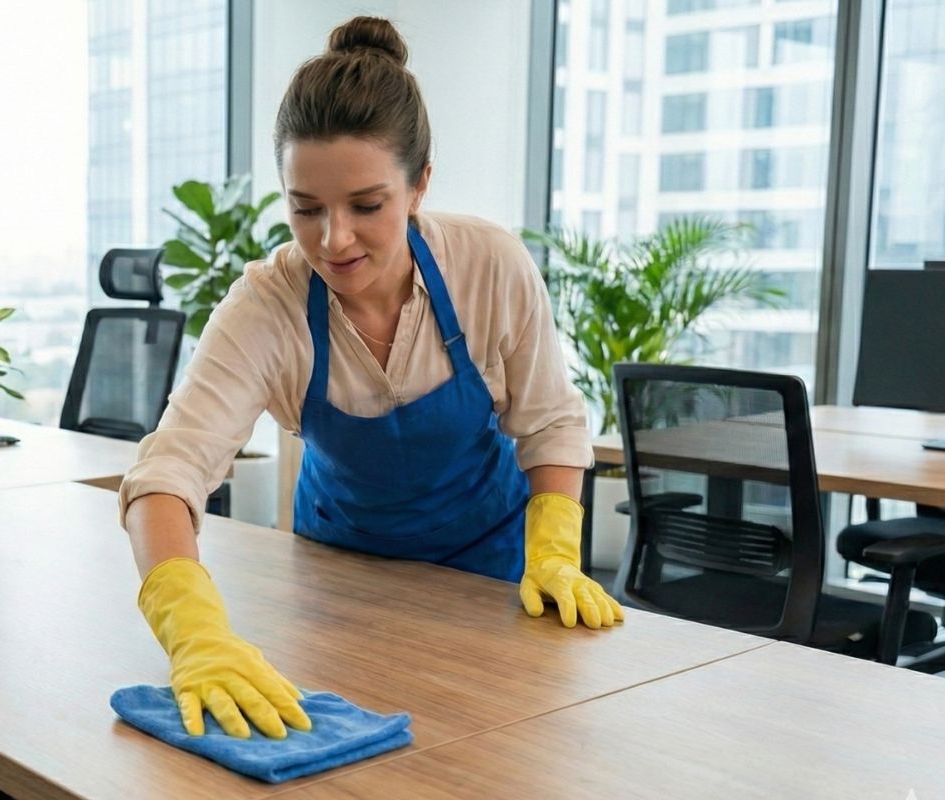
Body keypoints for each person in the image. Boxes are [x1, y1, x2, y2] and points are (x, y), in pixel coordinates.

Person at [119, 15, 623, 742]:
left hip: (493, 578)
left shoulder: (488, 265)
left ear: (419, 186)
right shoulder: (267, 305)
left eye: (366, 205)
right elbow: (167, 473)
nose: (334, 239)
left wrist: (554, 552)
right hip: (339, 583)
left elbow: (549, 424)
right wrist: (193, 632)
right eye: (305, 209)